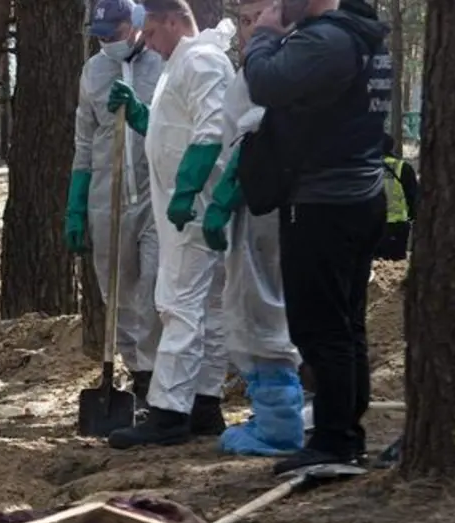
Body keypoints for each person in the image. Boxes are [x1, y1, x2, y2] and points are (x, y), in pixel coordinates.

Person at [241, 0, 392, 473]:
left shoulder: (326, 40)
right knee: (346, 325)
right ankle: (343, 430)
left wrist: (263, 36)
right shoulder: (360, 33)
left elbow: (264, 82)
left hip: (323, 202)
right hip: (359, 194)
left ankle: (335, 440)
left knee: (320, 326)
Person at [104, 0, 234, 449]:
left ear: (176, 21)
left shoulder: (200, 60)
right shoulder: (182, 64)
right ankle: (204, 403)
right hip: (191, 207)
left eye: (155, 33)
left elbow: (211, 130)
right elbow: (174, 128)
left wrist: (187, 190)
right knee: (207, 309)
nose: (149, 45)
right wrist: (141, 116)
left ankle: (169, 411)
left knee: (177, 305)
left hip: (192, 209)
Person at [199, 0, 305, 457]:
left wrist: (226, 192)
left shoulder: (281, 68)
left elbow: (256, 135)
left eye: (259, 18)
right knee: (252, 298)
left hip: (266, 201)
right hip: (258, 203)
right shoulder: (258, 69)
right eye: (243, 20)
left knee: (262, 302)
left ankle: (280, 421)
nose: (249, 29)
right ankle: (271, 408)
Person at [67, 0, 163, 406]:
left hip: (156, 194)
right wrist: (76, 204)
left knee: (156, 289)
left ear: (134, 23)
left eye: (114, 32)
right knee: (118, 293)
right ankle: (139, 379)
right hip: (107, 197)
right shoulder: (93, 71)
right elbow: (84, 142)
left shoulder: (161, 63)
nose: (107, 41)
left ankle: (163, 376)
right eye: (101, 34)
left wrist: (143, 114)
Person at [377, 133, 418, 261]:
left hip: (372, 225)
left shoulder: (367, 168)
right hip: (397, 225)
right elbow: (413, 196)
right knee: (396, 265)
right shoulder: (403, 168)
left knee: (375, 265)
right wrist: (413, 215)